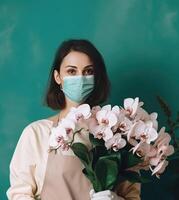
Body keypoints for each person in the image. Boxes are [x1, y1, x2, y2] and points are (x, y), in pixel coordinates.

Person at [6, 39, 141, 200]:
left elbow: (133, 196)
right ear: (58, 77)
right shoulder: (36, 134)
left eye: (88, 71)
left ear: (97, 77)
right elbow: (19, 194)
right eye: (71, 71)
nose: (81, 78)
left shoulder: (117, 136)